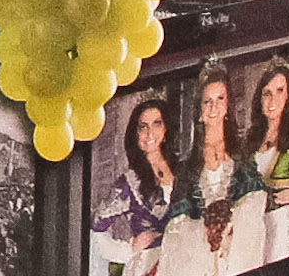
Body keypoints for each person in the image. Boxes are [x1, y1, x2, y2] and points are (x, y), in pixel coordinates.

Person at [163, 69, 256, 272]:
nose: (214, 107)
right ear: (199, 110)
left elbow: (256, 199)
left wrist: (230, 222)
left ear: (227, 105)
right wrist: (204, 228)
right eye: (207, 101)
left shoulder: (241, 155)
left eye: (220, 98)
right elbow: (176, 222)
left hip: (237, 254)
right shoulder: (187, 168)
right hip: (200, 259)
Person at [95, 93, 177, 275]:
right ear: (136, 134)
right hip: (147, 266)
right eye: (143, 127)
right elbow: (94, 229)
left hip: (182, 260)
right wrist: (129, 249)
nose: (149, 133)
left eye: (157, 123)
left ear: (166, 130)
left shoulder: (183, 170)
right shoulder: (129, 182)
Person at [244, 57, 289, 258]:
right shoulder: (250, 141)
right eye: (267, 93)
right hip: (254, 232)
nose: (272, 101)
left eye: (280, 91)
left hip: (285, 231)